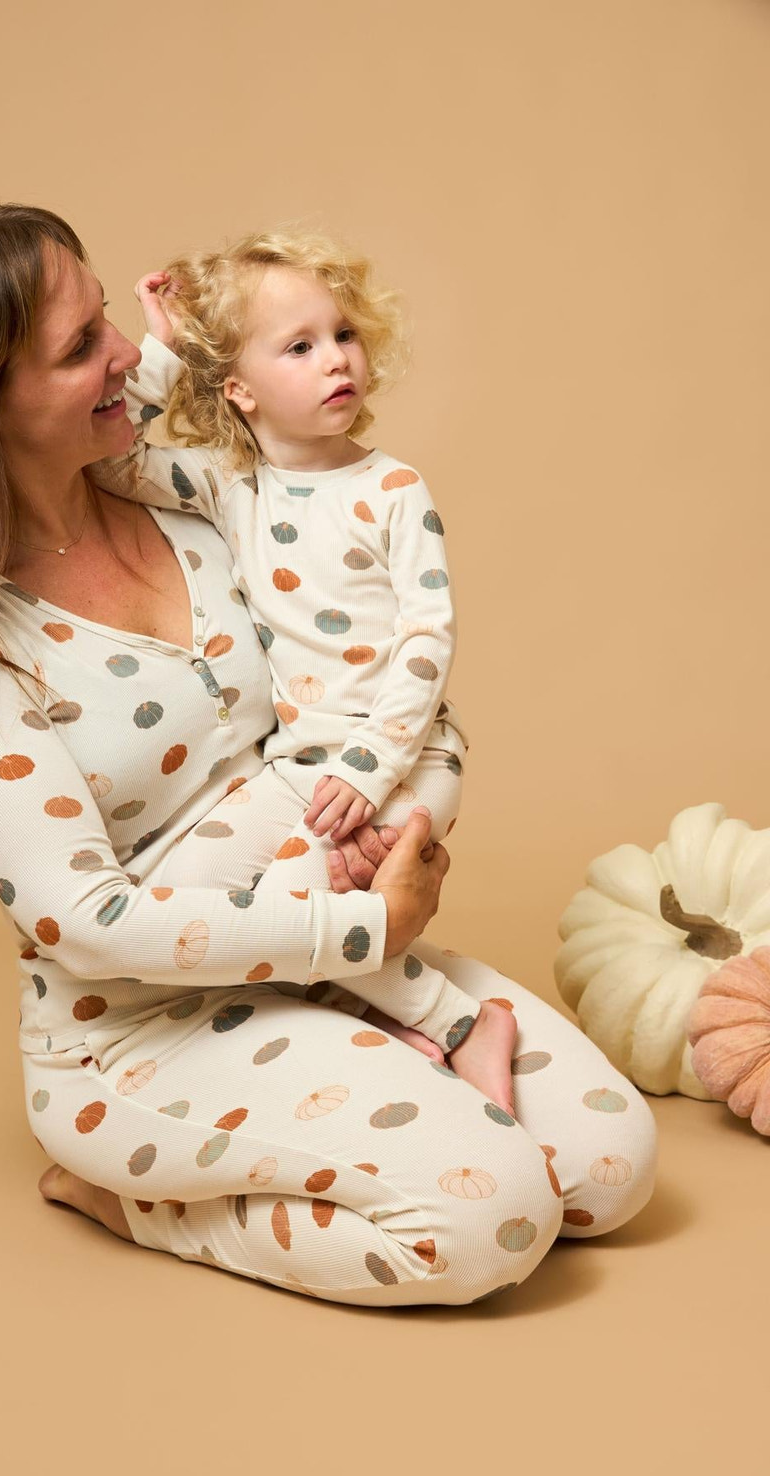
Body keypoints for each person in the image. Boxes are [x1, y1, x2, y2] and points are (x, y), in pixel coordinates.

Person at [0, 203, 658, 1307]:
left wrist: (402, 815)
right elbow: (80, 923)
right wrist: (365, 922)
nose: (129, 353)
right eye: (84, 344)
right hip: (141, 1031)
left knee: (610, 1173)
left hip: (323, 946)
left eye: (106, 325)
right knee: (493, 1221)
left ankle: (382, 1075)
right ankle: (127, 1200)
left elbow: (373, 681)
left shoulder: (204, 504)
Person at [88, 228, 477, 1048]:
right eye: (299, 346)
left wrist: (373, 769)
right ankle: (362, 1016)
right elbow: (110, 466)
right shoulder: (234, 488)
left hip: (401, 762)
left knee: (299, 908)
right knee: (179, 899)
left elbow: (427, 635)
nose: (336, 360)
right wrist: (160, 349)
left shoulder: (393, 489)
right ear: (239, 391)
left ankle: (463, 1027)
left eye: (342, 335)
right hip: (297, 769)